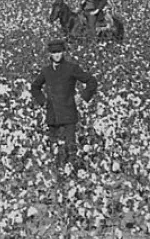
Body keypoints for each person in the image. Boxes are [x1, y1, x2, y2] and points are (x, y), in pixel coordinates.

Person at [29, 40, 98, 170]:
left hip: (68, 114)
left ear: (64, 52)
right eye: (54, 52)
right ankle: (56, 175)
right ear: (50, 54)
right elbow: (35, 87)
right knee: (54, 149)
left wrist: (82, 97)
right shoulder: (46, 71)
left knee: (71, 147)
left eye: (59, 52)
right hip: (52, 115)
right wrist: (43, 102)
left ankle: (74, 174)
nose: (57, 55)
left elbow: (91, 81)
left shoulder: (71, 68)